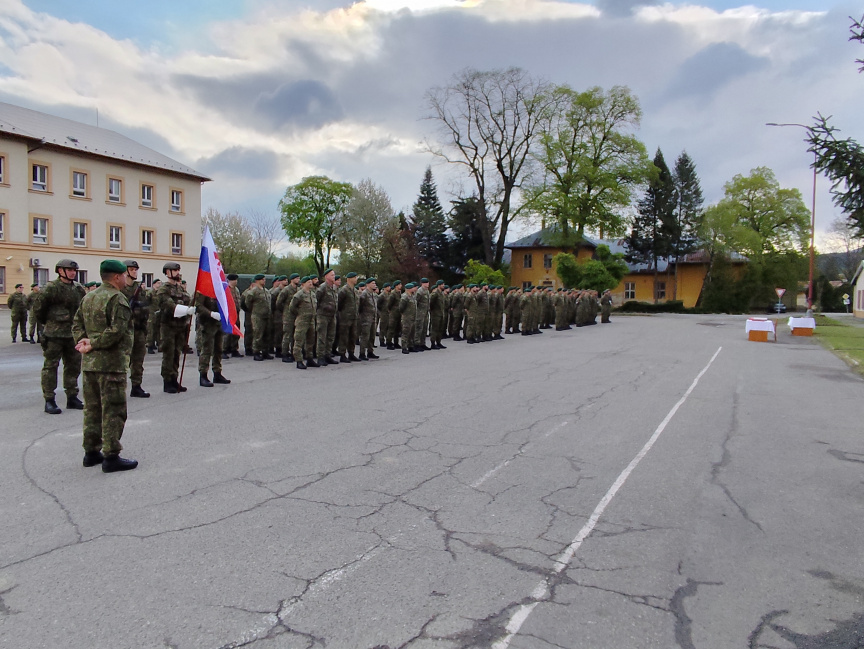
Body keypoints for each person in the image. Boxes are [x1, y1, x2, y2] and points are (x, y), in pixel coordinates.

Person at [72, 259, 138, 473]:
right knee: (113, 409)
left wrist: (83, 342)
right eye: (124, 275)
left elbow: (76, 324)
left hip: (90, 364)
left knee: (92, 409)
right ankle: (111, 456)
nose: (126, 279)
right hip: (111, 364)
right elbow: (117, 331)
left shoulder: (89, 297)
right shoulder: (117, 298)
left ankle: (91, 452)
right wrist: (93, 343)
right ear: (117, 277)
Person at [34, 260, 86, 414]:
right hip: (54, 335)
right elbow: (39, 309)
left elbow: (82, 309)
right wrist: (49, 324)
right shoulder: (51, 288)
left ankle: (72, 396)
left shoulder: (78, 288)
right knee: (51, 367)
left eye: (74, 270)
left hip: (72, 335)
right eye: (69, 270)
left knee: (73, 366)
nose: (73, 273)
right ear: (60, 271)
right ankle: (49, 399)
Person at [154, 261, 193, 393]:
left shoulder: (180, 289)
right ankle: (167, 381)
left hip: (180, 326)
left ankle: (174, 379)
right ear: (167, 272)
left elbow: (188, 300)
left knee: (177, 353)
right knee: (169, 354)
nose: (177, 273)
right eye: (175, 270)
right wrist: (185, 310)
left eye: (178, 270)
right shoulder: (164, 289)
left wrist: (190, 308)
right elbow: (169, 305)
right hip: (168, 326)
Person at [121, 260, 151, 398]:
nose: (134, 272)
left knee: (138, 360)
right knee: (122, 361)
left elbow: (146, 307)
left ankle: (136, 386)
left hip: (139, 329)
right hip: (124, 331)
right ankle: (119, 387)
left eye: (135, 269)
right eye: (132, 269)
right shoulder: (120, 289)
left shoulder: (139, 290)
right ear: (125, 271)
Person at [194, 289, 231, 386]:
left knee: (218, 349)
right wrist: (210, 313)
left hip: (219, 322)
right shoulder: (203, 289)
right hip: (208, 323)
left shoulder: (219, 288)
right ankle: (203, 375)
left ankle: (217, 373)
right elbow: (198, 305)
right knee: (207, 349)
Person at [288, 275, 319, 369]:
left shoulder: (312, 294)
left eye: (311, 282)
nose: (310, 283)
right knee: (299, 341)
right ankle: (299, 360)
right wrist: (300, 314)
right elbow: (292, 307)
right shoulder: (299, 294)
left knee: (310, 341)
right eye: (308, 282)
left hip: (311, 320)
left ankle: (309, 359)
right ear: (303, 284)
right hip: (302, 320)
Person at [245, 274, 272, 361]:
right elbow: (247, 303)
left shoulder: (266, 291)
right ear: (257, 281)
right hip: (258, 316)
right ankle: (256, 352)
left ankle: (265, 351)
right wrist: (254, 310)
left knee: (266, 335)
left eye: (264, 279)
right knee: (258, 335)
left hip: (267, 316)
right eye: (262, 279)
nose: (264, 281)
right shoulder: (253, 291)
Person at [315, 269, 340, 365]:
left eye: (334, 275)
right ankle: (320, 357)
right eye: (332, 275)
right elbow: (316, 301)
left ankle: (327, 355)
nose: (334, 276)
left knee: (330, 336)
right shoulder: (322, 288)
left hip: (332, 316)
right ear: (326, 277)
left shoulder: (334, 288)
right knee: (322, 337)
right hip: (323, 316)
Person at [358, 278, 379, 360]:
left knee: (372, 335)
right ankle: (362, 353)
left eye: (375, 283)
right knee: (365, 336)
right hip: (366, 318)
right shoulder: (364, 294)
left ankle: (370, 351)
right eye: (373, 283)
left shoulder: (373, 294)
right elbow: (360, 306)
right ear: (368, 284)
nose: (374, 285)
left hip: (373, 317)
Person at [223, 274, 243, 357]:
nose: (236, 281)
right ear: (230, 281)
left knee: (236, 331)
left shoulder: (236, 289)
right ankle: (224, 349)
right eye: (234, 280)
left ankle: (234, 349)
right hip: (228, 313)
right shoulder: (226, 289)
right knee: (227, 332)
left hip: (236, 313)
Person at [399, 282, 417, 354]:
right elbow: (401, 308)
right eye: (412, 288)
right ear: (409, 289)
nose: (414, 289)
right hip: (407, 317)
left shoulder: (412, 296)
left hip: (413, 317)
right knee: (406, 333)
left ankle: (411, 346)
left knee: (412, 332)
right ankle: (404, 347)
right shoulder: (404, 297)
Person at [414, 278, 430, 351]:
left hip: (425, 312)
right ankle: (416, 343)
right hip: (420, 313)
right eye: (426, 283)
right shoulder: (419, 291)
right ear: (422, 283)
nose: (427, 284)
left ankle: (422, 343)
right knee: (419, 328)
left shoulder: (427, 291)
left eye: (428, 283)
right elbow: (416, 302)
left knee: (424, 328)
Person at [146, 278, 162, 354]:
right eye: (158, 283)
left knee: (158, 330)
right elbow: (146, 302)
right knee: (151, 330)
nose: (160, 284)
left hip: (159, 313)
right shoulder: (150, 292)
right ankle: (149, 345)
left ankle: (159, 344)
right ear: (154, 284)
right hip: (151, 314)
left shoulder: (160, 293)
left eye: (160, 283)